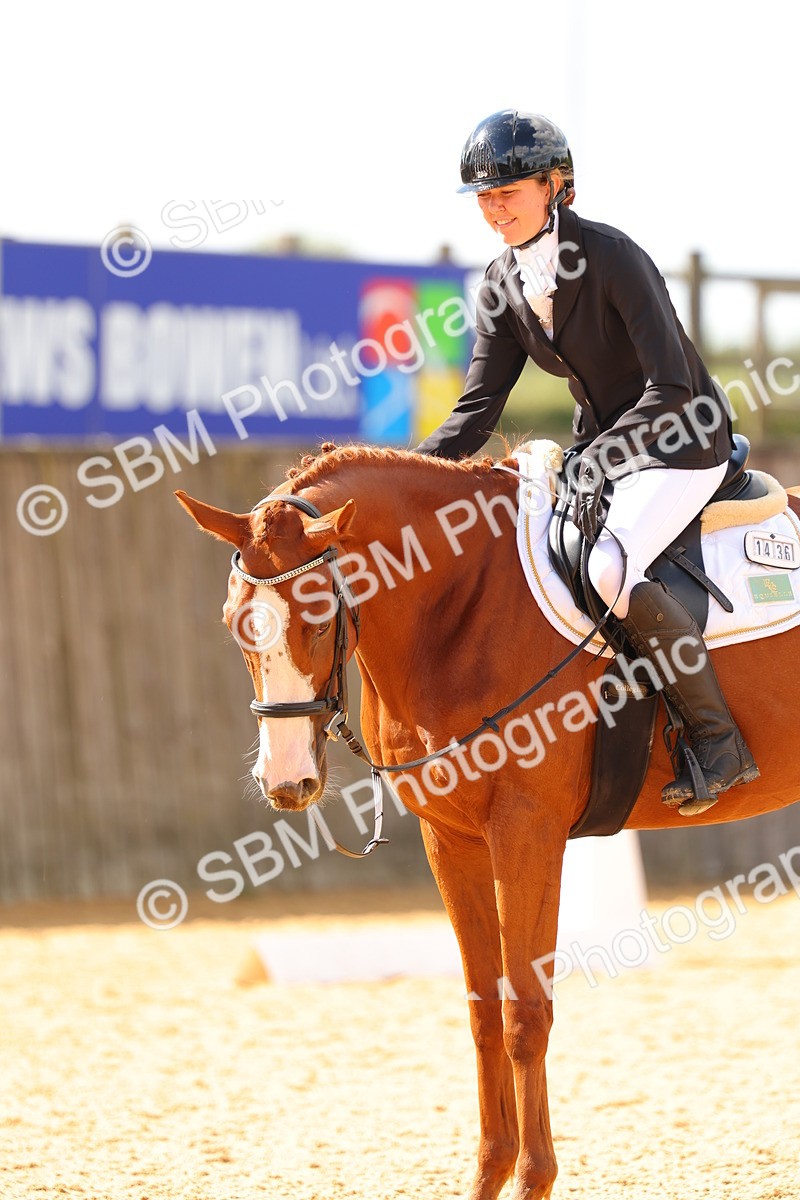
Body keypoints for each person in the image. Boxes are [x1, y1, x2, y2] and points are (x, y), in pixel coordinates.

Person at [416, 109, 759, 817]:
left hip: (680, 441)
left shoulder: (612, 256)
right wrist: (397, 473)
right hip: (604, 452)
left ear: (557, 185)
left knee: (607, 566)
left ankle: (716, 738)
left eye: (507, 191)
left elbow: (670, 386)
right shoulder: (501, 282)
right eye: (483, 196)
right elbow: (476, 410)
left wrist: (600, 456)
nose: (493, 207)